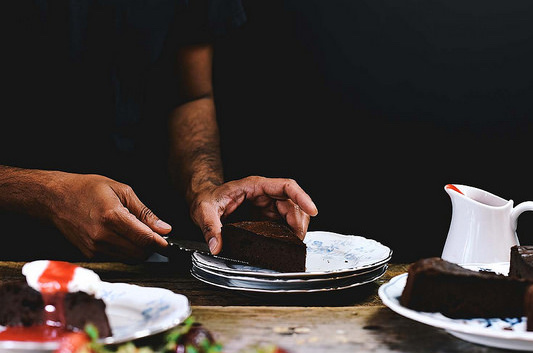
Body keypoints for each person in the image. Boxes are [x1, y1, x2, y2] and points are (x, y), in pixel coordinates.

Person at [1, 0, 317, 263]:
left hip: (149, 261)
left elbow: (190, 97)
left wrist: (204, 190)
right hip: (13, 253)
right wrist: (49, 194)